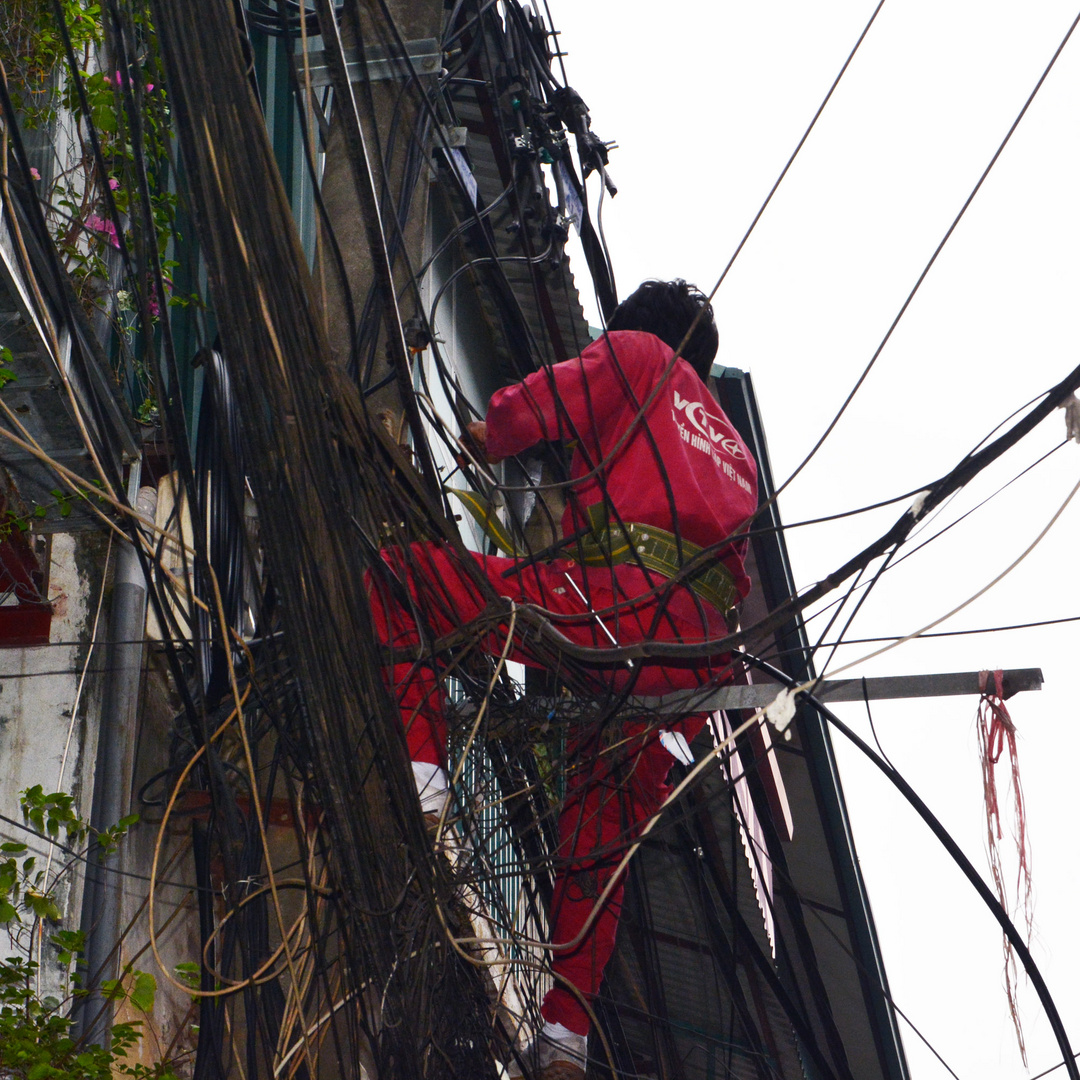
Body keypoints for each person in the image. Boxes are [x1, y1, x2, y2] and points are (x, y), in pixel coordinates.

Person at [368, 280, 758, 1080]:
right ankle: (563, 1039)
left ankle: (424, 777)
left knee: (401, 580)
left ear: (635, 330)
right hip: (689, 667)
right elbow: (734, 585)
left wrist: (486, 431)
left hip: (617, 606)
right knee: (600, 840)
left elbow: (532, 409)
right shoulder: (740, 460)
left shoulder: (641, 357)